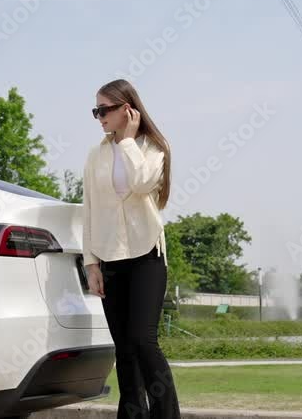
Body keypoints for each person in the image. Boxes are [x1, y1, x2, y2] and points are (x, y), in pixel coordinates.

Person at [82, 78, 181, 418]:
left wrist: (127, 141)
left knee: (143, 340)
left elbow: (141, 183)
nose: (99, 117)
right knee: (124, 349)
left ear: (127, 109)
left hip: (146, 256)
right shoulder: (95, 155)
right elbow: (89, 210)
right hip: (109, 259)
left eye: (104, 110)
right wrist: (91, 264)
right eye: (95, 111)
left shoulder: (153, 148)